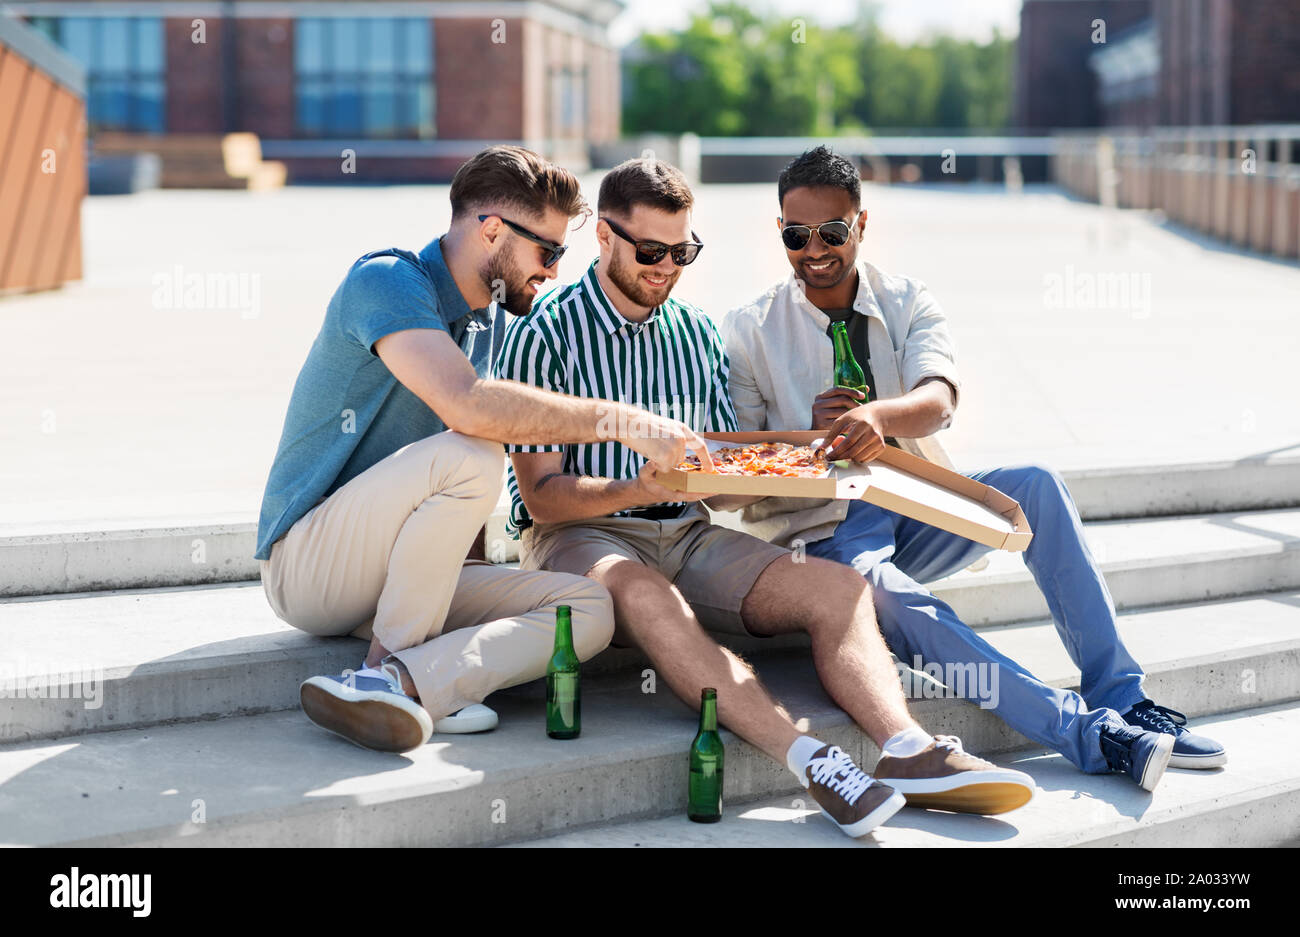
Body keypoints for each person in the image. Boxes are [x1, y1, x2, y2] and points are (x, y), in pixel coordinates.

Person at [495, 156, 1036, 839]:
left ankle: (907, 748)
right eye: (652, 250)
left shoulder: (695, 333)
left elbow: (721, 484)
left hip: (688, 532)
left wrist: (801, 447)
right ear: (603, 238)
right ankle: (812, 761)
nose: (668, 267)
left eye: (683, 251)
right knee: (645, 592)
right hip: (583, 536)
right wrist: (641, 486)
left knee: (837, 589)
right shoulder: (542, 333)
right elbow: (541, 500)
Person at [721, 145, 1226, 794]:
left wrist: (879, 417)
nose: (813, 248)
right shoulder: (749, 329)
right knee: (891, 595)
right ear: (781, 231)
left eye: (832, 231)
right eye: (796, 234)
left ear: (863, 225)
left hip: (916, 500)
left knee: (1037, 483)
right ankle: (1092, 734)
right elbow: (736, 473)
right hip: (824, 534)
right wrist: (808, 442)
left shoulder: (906, 301)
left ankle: (1123, 695)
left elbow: (940, 399)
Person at [255, 145, 714, 754]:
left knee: (586, 608)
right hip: (308, 568)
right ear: (492, 229)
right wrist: (618, 421)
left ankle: (409, 683)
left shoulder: (491, 320)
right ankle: (379, 668)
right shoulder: (387, 281)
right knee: (473, 452)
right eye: (547, 251)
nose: (553, 271)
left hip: (396, 577)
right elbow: (465, 406)